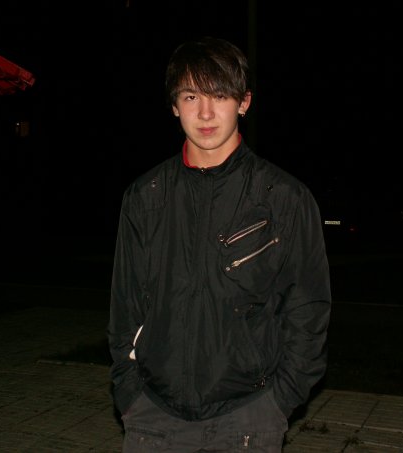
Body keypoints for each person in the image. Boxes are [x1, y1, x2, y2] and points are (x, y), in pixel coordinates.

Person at [107, 36, 331, 452]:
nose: (205, 112)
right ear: (174, 106)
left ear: (244, 102)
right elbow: (124, 306)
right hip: (153, 417)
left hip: (247, 419)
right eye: (191, 96)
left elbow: (308, 309)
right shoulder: (145, 196)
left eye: (220, 95)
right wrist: (130, 392)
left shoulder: (284, 197)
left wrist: (278, 402)